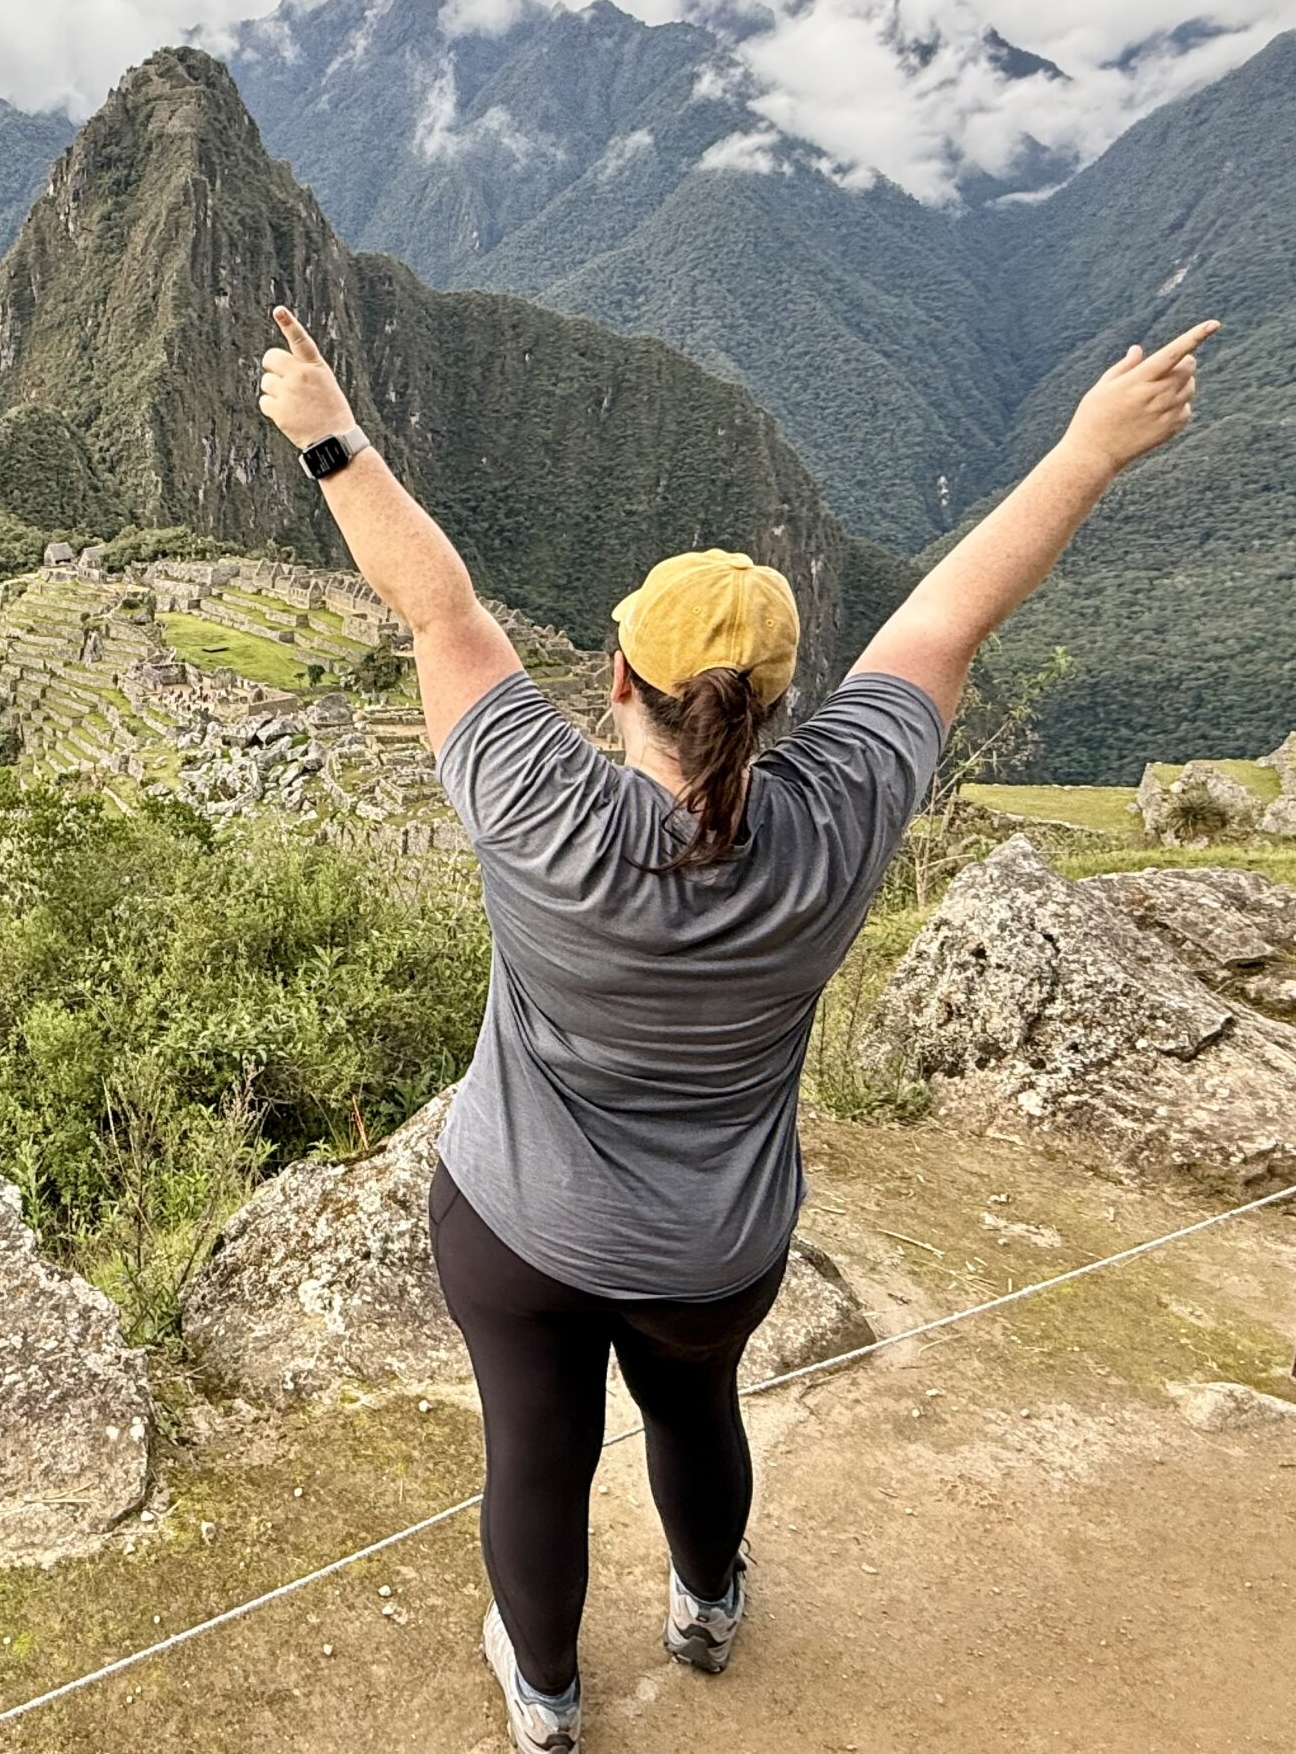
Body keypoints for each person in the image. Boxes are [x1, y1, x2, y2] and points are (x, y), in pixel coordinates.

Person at [256, 305, 1216, 1753]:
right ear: (776, 706)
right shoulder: (838, 817)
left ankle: (546, 1697)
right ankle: (707, 1608)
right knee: (697, 1418)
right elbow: (952, 616)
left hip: (518, 1229)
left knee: (537, 1451)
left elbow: (440, 614)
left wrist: (327, 430)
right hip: (717, 1246)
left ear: (619, 682)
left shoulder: (538, 805)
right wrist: (1089, 449)